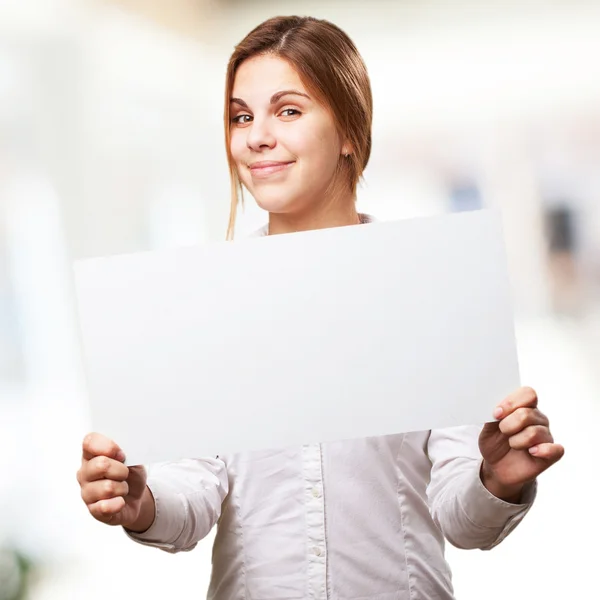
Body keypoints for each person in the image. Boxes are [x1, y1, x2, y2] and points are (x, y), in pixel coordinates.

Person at [76, 15, 564, 599]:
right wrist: (141, 500)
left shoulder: (426, 287)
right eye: (241, 116)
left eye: (287, 110)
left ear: (350, 132)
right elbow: (195, 494)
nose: (256, 136)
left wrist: (496, 479)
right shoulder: (207, 302)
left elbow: (463, 520)